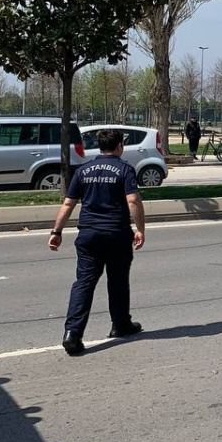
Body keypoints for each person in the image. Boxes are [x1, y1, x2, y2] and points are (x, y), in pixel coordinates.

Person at [48, 128, 146, 355]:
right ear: (120, 146)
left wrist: (56, 231)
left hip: (88, 235)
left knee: (84, 283)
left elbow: (68, 203)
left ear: (100, 147)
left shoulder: (83, 171)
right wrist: (140, 229)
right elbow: (132, 200)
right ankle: (120, 324)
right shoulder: (124, 169)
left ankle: (72, 333)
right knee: (118, 281)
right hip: (116, 234)